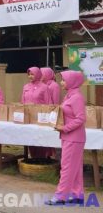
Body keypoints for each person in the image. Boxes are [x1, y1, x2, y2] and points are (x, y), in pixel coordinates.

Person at [45, 70, 86, 205]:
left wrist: (65, 128)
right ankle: (77, 194)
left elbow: (81, 119)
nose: (61, 82)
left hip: (74, 137)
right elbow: (68, 113)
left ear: (72, 81)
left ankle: (60, 196)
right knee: (75, 167)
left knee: (67, 167)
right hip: (69, 136)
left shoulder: (77, 98)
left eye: (63, 80)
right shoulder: (69, 96)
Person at [21, 67, 50, 158]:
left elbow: (48, 102)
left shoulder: (44, 87)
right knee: (30, 137)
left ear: (38, 74)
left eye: (32, 74)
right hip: (28, 117)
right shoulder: (25, 86)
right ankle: (33, 158)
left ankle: (42, 158)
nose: (30, 76)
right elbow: (22, 101)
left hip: (40, 117)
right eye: (29, 74)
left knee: (41, 138)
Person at [41, 67, 61, 159]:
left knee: (52, 135)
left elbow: (56, 101)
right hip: (43, 114)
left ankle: (54, 155)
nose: (40, 76)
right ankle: (46, 154)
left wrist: (53, 113)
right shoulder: (41, 84)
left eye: (42, 74)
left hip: (52, 114)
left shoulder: (54, 85)